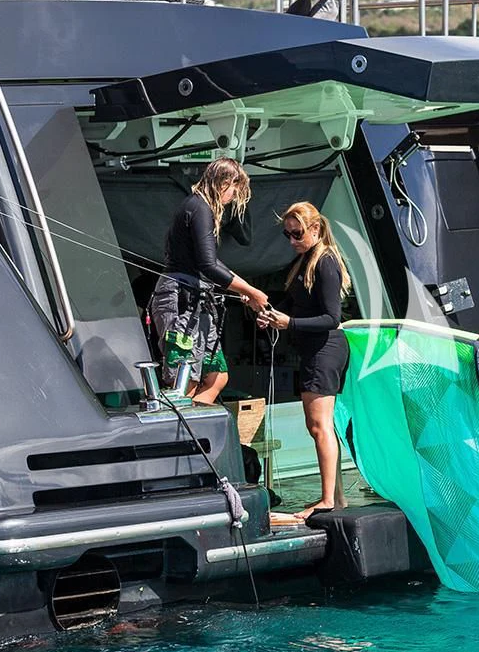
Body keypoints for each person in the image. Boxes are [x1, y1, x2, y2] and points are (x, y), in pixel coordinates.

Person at [257, 202, 351, 520]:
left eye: (297, 233)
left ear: (315, 229)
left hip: (326, 349)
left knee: (319, 426)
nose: (292, 240)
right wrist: (268, 313)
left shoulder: (325, 262)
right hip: (315, 351)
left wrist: (289, 324)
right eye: (287, 234)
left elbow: (331, 317)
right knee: (321, 427)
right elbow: (291, 304)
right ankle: (335, 497)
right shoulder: (304, 262)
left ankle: (327, 499)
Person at [149, 158, 267, 404]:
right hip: (180, 300)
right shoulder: (198, 207)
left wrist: (242, 287)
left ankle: (196, 423)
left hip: (197, 301)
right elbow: (208, 265)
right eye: (234, 189)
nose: (234, 196)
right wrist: (251, 291)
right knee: (185, 380)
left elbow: (210, 262)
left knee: (217, 376)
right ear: (224, 182)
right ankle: (184, 430)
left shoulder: (201, 208)